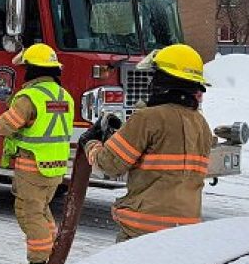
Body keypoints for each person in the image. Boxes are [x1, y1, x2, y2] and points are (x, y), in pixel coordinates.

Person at [79, 43, 213, 242]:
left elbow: (110, 164)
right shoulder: (201, 124)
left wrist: (91, 143)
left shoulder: (148, 119)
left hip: (143, 230)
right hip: (185, 229)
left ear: (163, 81)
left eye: (155, 76)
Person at [0, 43, 75, 264]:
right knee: (41, 209)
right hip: (56, 165)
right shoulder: (64, 96)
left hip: (33, 166)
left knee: (29, 212)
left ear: (32, 68)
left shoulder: (30, 97)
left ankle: (39, 263)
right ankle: (53, 253)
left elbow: (6, 125)